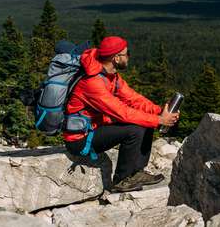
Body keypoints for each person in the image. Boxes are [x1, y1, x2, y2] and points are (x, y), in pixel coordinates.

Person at [64, 36, 180, 192]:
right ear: (116, 58)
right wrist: (158, 120)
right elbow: (122, 113)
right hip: (80, 139)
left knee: (145, 121)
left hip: (96, 128)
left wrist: (159, 111)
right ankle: (121, 180)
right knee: (135, 128)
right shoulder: (92, 82)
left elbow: (133, 98)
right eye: (127, 54)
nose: (129, 56)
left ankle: (136, 172)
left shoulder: (111, 75)